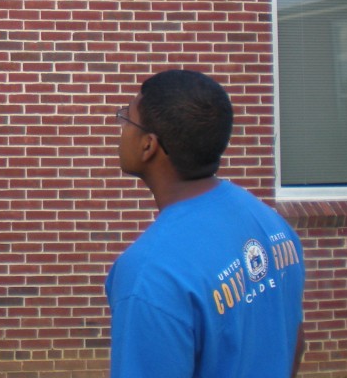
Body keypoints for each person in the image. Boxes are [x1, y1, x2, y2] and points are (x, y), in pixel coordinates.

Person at [106, 69, 305, 377]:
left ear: (149, 145)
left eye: (126, 119)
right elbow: (294, 345)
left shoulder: (150, 276)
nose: (121, 129)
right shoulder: (270, 224)